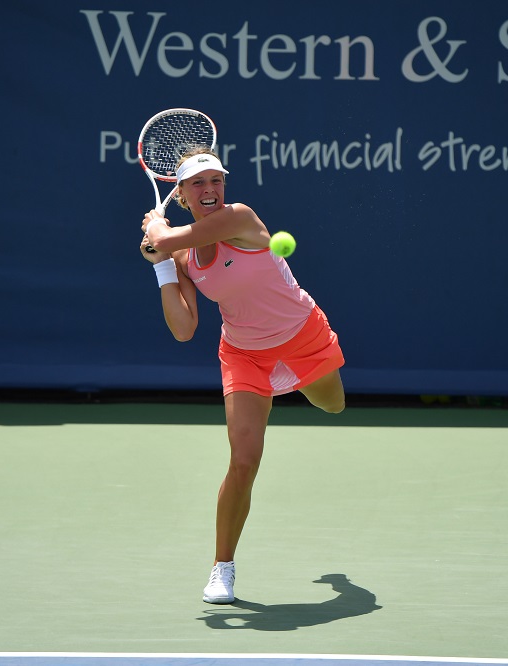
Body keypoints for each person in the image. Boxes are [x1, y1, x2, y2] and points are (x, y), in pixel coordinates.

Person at [139, 147, 346, 604]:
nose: (210, 189)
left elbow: (163, 236)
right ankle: (222, 568)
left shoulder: (239, 217)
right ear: (183, 192)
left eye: (216, 180)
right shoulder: (184, 256)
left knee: (332, 404)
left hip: (302, 336)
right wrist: (161, 268)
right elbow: (184, 328)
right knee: (243, 460)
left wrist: (157, 231)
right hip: (244, 353)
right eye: (198, 183)